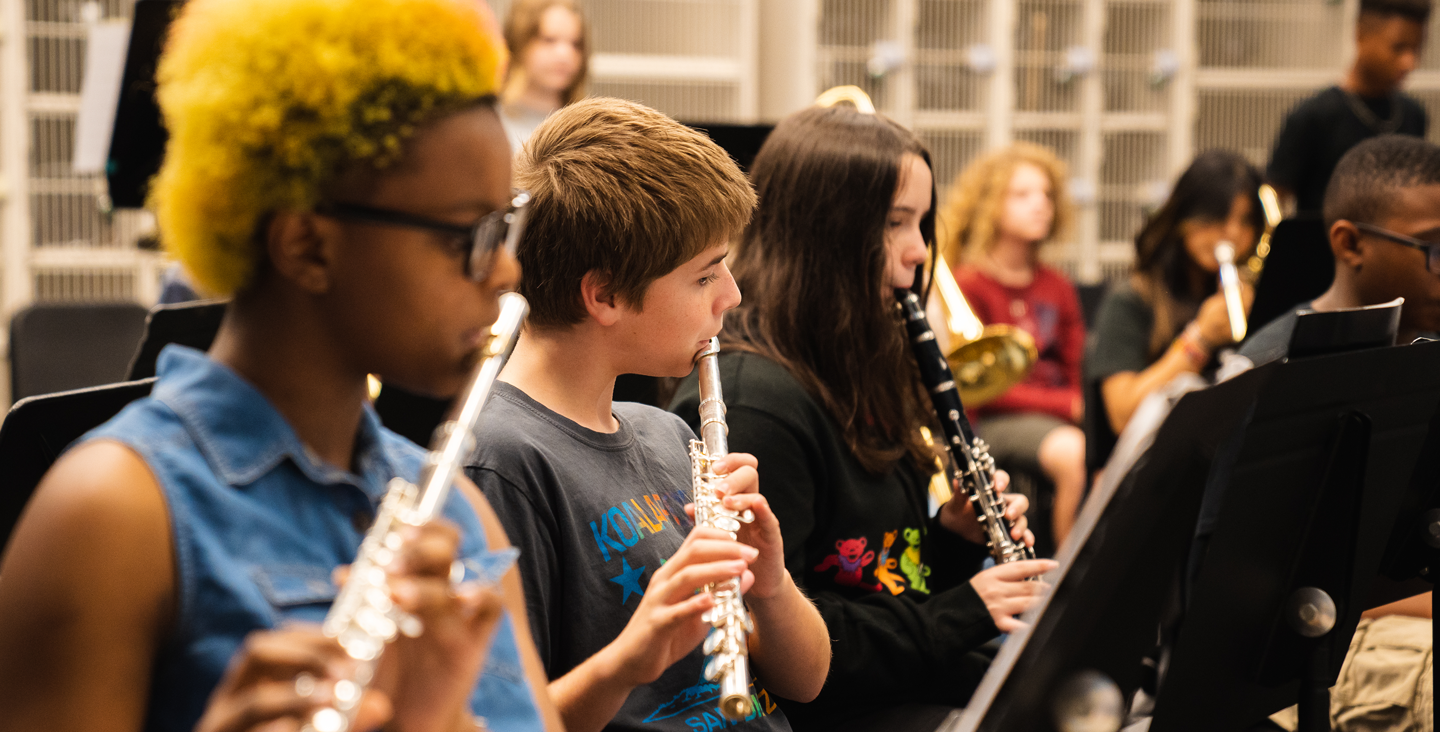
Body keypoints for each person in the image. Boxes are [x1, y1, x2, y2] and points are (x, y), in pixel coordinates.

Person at [0, 0, 563, 730]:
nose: (506, 272)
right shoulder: (111, 514)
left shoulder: (459, 513)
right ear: (306, 245)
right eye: (473, 234)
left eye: (508, 223)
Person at [669, 104, 1056, 732]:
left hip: (895, 683)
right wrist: (961, 613)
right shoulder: (755, 402)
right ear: (827, 234)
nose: (918, 251)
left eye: (923, 223)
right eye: (896, 224)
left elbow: (877, 574)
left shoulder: (857, 362)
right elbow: (777, 633)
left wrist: (952, 543)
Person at [464, 97, 831, 732]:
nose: (733, 295)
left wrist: (769, 585)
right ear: (603, 293)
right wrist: (629, 660)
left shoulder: (667, 433)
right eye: (704, 275)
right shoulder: (500, 462)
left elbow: (807, 679)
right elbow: (506, 720)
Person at [1234, 135, 1440, 732]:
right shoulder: (1278, 375)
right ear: (1349, 243)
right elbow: (1260, 601)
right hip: (1320, 655)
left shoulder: (1422, 357)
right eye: (1432, 248)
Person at [941, 142, 1087, 549]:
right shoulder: (969, 284)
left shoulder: (1057, 285)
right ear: (990, 204)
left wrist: (1086, 407)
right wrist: (1068, 407)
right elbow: (983, 389)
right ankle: (1068, 574)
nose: (1040, 204)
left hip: (1056, 414)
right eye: (1022, 195)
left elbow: (1078, 363)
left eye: (1046, 194)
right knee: (1075, 452)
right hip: (995, 418)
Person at [1083, 150, 1264, 475]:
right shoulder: (1131, 300)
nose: (1233, 234)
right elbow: (1122, 415)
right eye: (1218, 218)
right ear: (1185, 217)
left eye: (1246, 221)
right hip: (1149, 473)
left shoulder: (1248, 295)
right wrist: (1200, 339)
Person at [1267, 0, 1431, 215]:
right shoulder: (1314, 116)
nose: (1410, 62)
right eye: (1399, 47)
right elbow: (1273, 197)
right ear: (1360, 34)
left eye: (1416, 49)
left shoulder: (1413, 115)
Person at [500, 0, 588, 154]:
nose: (565, 54)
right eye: (549, 40)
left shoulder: (587, 128)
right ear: (519, 42)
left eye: (575, 43)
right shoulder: (492, 125)